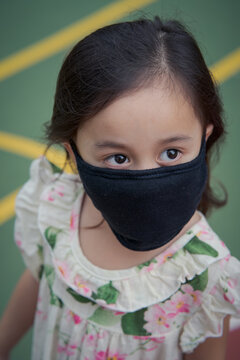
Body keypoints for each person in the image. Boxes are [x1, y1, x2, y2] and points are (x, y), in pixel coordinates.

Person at [0, 15, 239, 360]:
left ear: (204, 138)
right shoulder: (57, 205)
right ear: (74, 153)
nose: (146, 181)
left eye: (171, 153)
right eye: (118, 158)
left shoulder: (206, 275)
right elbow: (40, 277)